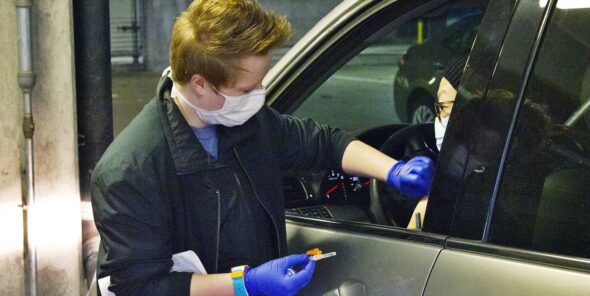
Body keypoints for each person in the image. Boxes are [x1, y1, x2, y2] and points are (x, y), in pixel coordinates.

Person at [91, 1, 433, 295]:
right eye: (246, 89)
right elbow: (142, 286)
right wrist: (246, 284)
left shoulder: (249, 125)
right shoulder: (130, 172)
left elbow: (324, 144)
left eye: (261, 82)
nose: (260, 94)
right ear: (200, 84)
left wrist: (392, 170)